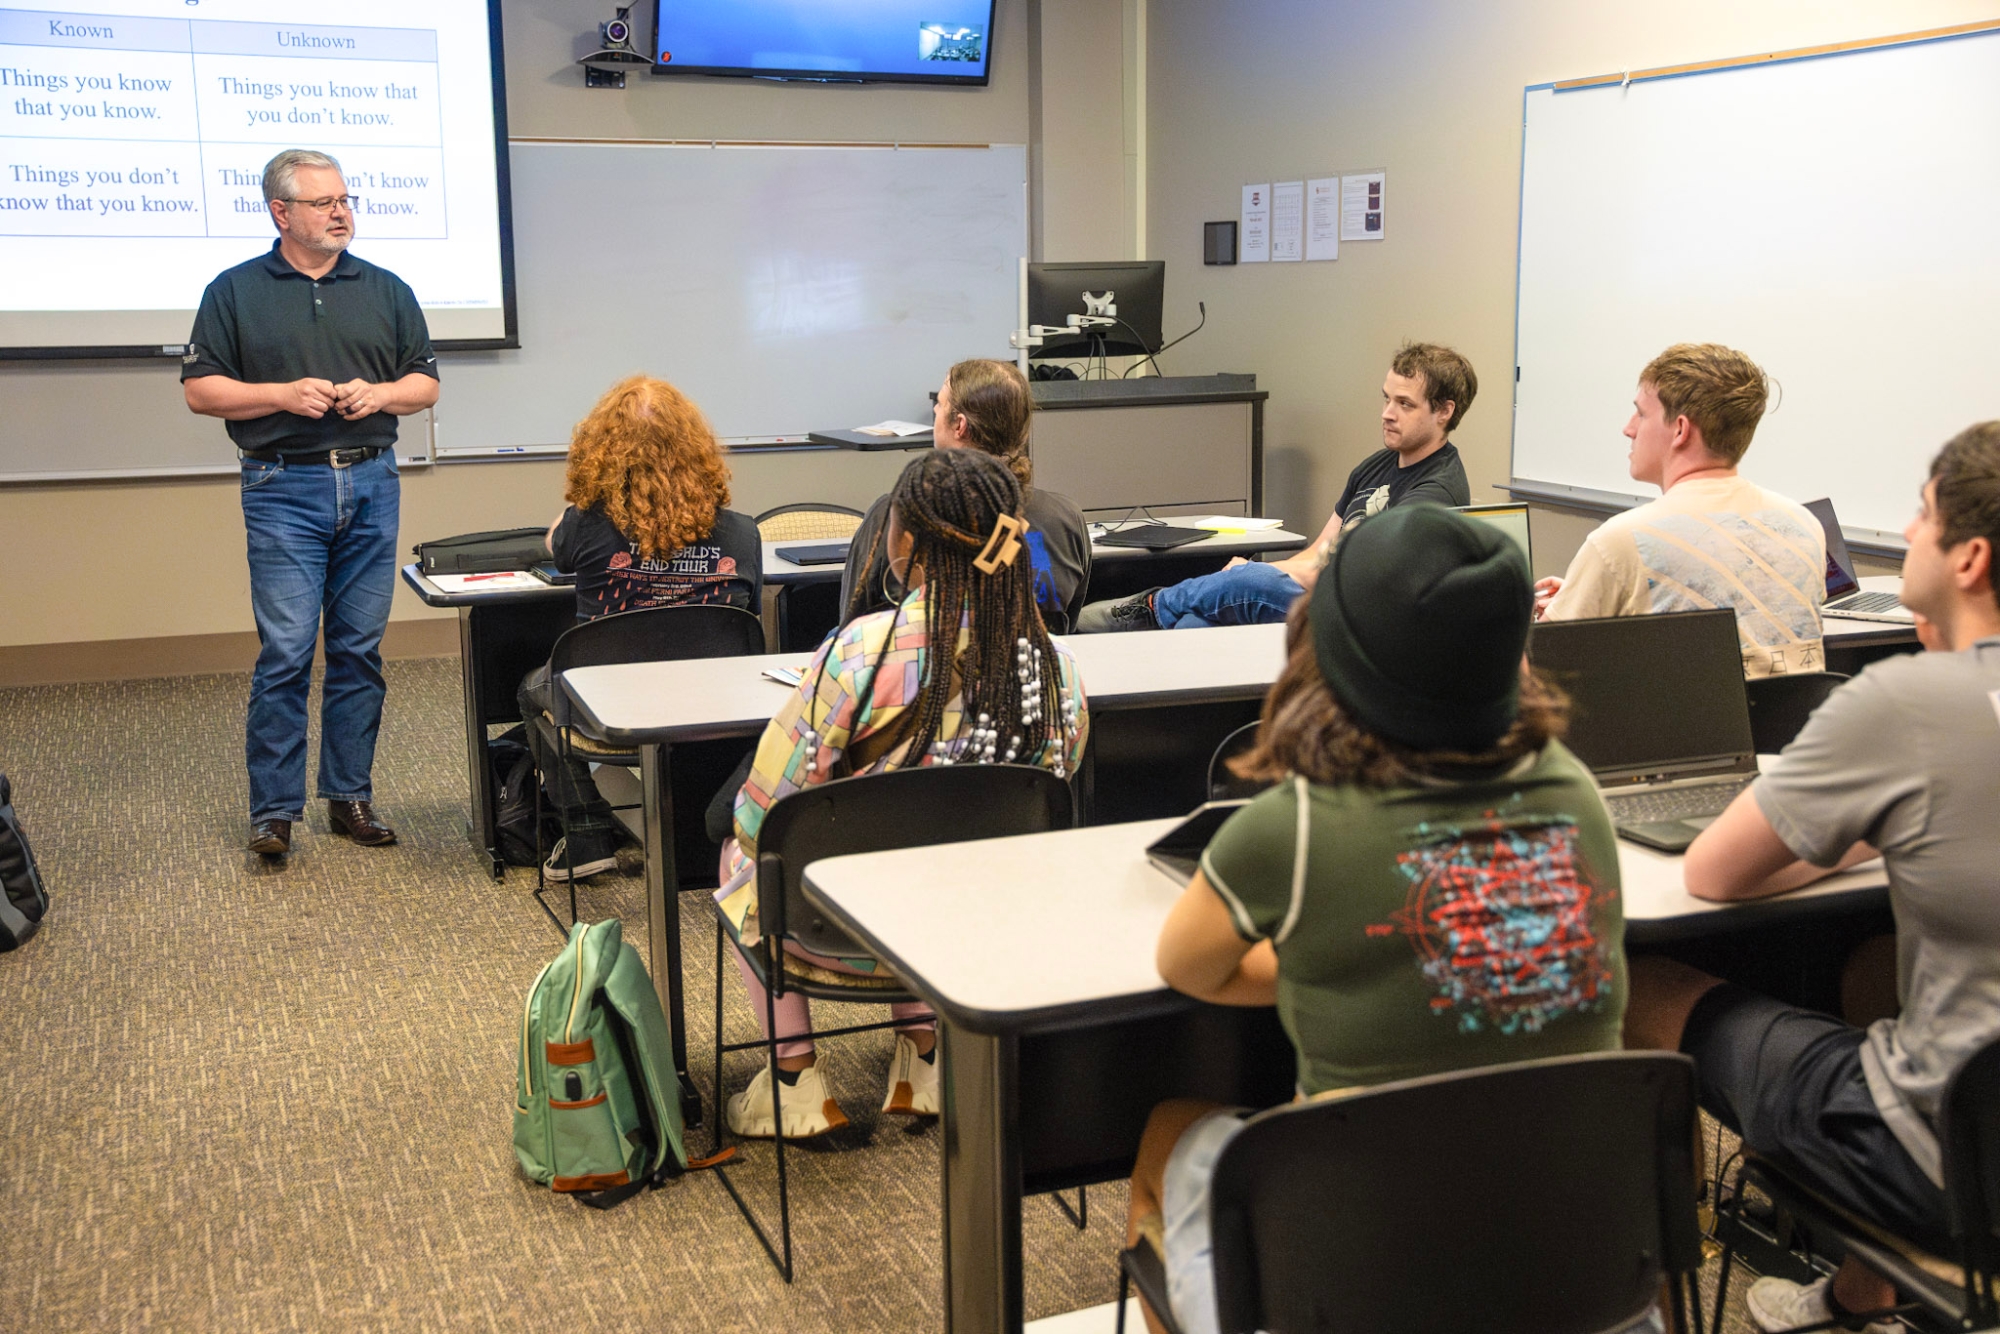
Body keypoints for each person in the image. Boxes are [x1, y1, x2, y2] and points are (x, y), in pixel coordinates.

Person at [1123, 504, 1627, 1334]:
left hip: (1358, 1276)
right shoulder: (1576, 790)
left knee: (1169, 1131)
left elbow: (1189, 966)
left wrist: (1333, 966)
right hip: (1571, 1257)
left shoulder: (1295, 823)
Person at [1622, 423, 2000, 1334]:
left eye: (1921, 515)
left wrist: (1864, 833)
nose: (1907, 532)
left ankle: (1652, 1305)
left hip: (1945, 1168)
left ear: (1971, 558)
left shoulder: (1906, 704)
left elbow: (1714, 874)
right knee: (1873, 963)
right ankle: (1855, 1297)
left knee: (1634, 980)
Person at [716, 449, 1090, 1136]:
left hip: (840, 930)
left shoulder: (864, 652)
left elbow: (763, 816)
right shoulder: (1053, 668)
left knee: (740, 858)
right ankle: (922, 1058)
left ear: (906, 542)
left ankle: (795, 1079)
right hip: (983, 927)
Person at [182, 149, 439, 859]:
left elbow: (425, 383)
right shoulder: (234, 290)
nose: (340, 213)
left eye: (345, 200)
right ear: (280, 213)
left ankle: (350, 796)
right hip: (281, 484)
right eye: (324, 203)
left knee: (359, 649)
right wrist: (281, 394)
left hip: (371, 480)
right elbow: (201, 391)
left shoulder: (385, 288)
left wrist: (381, 395)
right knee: (288, 652)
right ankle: (274, 812)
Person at [517, 375, 762, 883]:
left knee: (528, 689)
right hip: (713, 708)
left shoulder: (581, 526)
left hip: (610, 703)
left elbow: (554, 544)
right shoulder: (742, 533)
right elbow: (748, 623)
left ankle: (585, 831)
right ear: (695, 449)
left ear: (601, 453)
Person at [1076, 341, 1476, 631]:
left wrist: (1256, 575)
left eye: (1404, 404)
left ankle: (1150, 607)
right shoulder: (1378, 464)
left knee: (1246, 581)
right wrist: (1260, 573)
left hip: (1362, 617)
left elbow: (1353, 577)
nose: (1386, 414)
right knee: (1196, 623)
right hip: (1324, 591)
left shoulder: (1436, 492)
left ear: (1444, 412)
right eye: (1387, 399)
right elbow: (1321, 551)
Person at [1536, 343, 1827, 677]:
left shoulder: (1621, 542)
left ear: (1680, 430)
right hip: (1791, 728)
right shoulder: (1804, 524)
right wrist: (1597, 591)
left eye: (1642, 414)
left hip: (1674, 729)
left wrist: (1597, 584)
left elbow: (1546, 666)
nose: (1628, 428)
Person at [842, 358, 1090, 630]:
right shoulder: (1065, 518)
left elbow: (851, 624)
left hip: (913, 667)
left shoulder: (897, 513)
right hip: (1031, 667)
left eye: (939, 403)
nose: (935, 409)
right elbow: (1065, 628)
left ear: (959, 425)